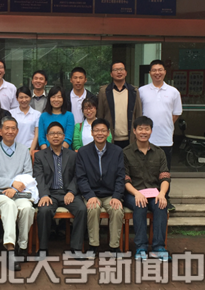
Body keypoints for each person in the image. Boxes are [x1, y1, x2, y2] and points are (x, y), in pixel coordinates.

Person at [0, 116, 34, 271]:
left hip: (19, 193)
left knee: (27, 208)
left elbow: (28, 175)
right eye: (7, 128)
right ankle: (10, 250)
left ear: (17, 131)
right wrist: (12, 183)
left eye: (13, 128)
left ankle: (22, 246)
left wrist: (15, 189)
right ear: (0, 131)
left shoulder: (24, 150)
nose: (10, 131)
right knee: (9, 205)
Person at [123, 116, 171, 261]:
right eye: (140, 129)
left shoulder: (159, 152)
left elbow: (165, 177)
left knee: (161, 205)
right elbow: (124, 179)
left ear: (151, 131)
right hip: (133, 193)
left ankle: (158, 248)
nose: (143, 132)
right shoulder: (126, 152)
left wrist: (162, 194)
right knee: (140, 204)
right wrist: (137, 194)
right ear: (134, 131)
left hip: (154, 192)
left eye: (146, 129)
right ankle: (141, 247)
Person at [34, 122, 86, 255]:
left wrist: (71, 191)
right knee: (44, 210)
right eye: (52, 133)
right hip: (50, 194)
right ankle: (43, 249)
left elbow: (78, 176)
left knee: (81, 209)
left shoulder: (73, 155)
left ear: (64, 136)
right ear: (47, 137)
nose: (55, 136)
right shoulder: (40, 155)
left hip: (68, 193)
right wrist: (44, 194)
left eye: (59, 133)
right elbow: (39, 177)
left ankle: (76, 249)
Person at [76, 118, 125, 258]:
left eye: (103, 130)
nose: (100, 133)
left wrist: (117, 196)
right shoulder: (83, 152)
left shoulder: (117, 151)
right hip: (92, 193)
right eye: (96, 130)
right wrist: (90, 195)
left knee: (117, 209)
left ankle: (114, 247)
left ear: (108, 133)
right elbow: (81, 178)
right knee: (93, 208)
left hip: (110, 194)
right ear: (91, 133)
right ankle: (93, 245)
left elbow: (121, 176)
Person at [138, 59, 182, 212]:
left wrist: (163, 125)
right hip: (145, 139)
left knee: (164, 171)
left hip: (165, 139)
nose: (157, 73)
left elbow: (175, 114)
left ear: (164, 72)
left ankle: (165, 198)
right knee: (146, 170)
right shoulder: (142, 91)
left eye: (160, 70)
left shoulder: (173, 92)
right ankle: (148, 198)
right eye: (154, 70)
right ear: (150, 73)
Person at [97, 61, 142, 148]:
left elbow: (138, 115)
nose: (119, 72)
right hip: (110, 138)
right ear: (111, 74)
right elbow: (100, 115)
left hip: (130, 139)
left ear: (126, 72)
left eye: (121, 69)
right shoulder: (104, 91)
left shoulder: (134, 91)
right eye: (115, 70)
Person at [38, 86, 75, 150]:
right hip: (46, 152)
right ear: (49, 99)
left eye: (59, 97)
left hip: (65, 152)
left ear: (63, 99)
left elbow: (68, 138)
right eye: (53, 97)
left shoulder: (69, 115)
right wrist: (47, 153)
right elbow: (41, 139)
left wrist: (59, 153)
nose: (56, 99)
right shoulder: (43, 116)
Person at [9, 86, 40, 150]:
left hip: (29, 148)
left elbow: (36, 135)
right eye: (21, 97)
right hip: (13, 148)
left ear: (30, 97)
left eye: (26, 97)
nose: (24, 100)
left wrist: (31, 150)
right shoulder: (11, 113)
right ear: (17, 98)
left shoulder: (37, 114)